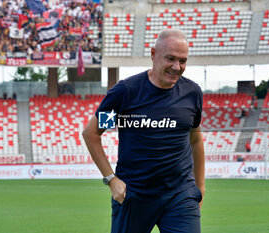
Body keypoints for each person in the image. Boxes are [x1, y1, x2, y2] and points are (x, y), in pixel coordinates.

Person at [83, 29, 205, 233]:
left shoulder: (192, 94)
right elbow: (92, 133)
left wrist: (199, 187)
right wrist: (111, 179)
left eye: (183, 61)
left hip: (180, 195)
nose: (177, 67)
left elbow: (195, 138)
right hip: (134, 194)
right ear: (153, 54)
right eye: (171, 59)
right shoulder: (126, 93)